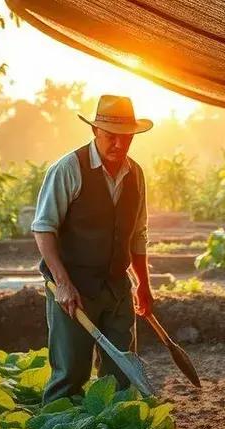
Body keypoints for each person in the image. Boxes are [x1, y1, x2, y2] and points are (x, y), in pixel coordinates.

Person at [31, 94, 153, 403]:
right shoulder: (68, 169)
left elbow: (137, 234)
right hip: (74, 289)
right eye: (111, 137)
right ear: (95, 132)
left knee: (120, 375)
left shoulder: (135, 174)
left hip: (116, 288)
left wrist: (143, 286)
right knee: (70, 374)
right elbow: (44, 228)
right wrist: (63, 283)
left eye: (126, 138)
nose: (119, 145)